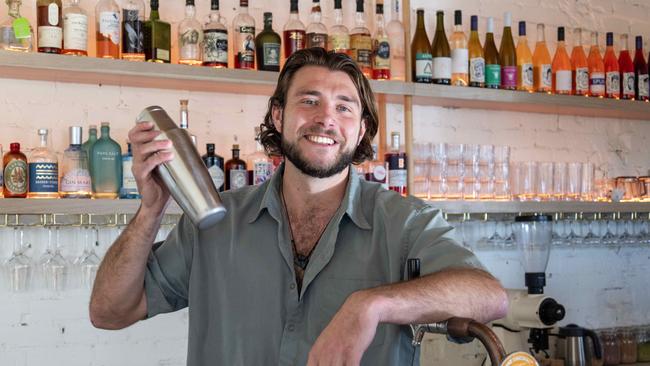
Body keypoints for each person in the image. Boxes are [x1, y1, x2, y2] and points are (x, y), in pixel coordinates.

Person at [89, 48, 507, 366]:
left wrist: (371, 305)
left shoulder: (405, 222)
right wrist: (151, 210)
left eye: (344, 107)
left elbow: (489, 296)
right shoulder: (214, 221)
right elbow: (109, 312)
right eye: (309, 100)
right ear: (278, 114)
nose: (326, 119)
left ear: (361, 130)